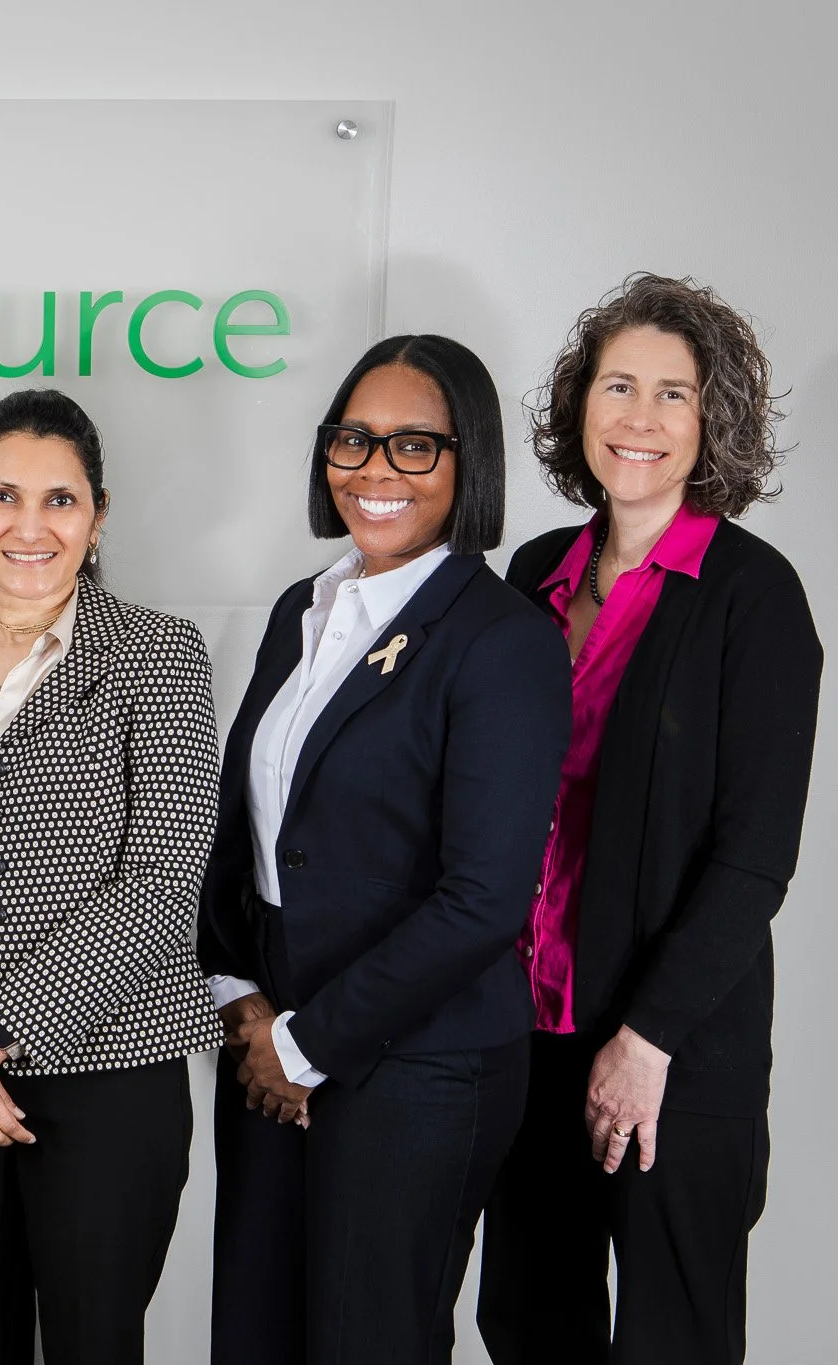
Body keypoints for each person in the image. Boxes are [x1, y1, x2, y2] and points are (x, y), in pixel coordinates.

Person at [198, 335, 572, 1364]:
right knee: (256, 1337)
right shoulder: (302, 609)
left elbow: (484, 899)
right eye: (353, 440)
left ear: (469, 464)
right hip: (266, 1047)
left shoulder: (501, 639)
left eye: (414, 446)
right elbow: (244, 829)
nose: (374, 470)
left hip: (418, 1070)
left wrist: (306, 1044)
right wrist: (243, 1002)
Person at [476, 275, 820, 1365]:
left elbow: (753, 857)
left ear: (708, 422)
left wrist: (647, 1039)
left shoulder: (750, 596)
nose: (638, 417)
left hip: (671, 1050)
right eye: (616, 385)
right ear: (579, 405)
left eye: (671, 395)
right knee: (527, 1323)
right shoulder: (532, 577)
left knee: (672, 1334)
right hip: (525, 1032)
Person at [0, 389, 223, 1364]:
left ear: (97, 514)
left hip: (107, 1072)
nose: (28, 526)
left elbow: (159, 879)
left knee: (91, 1345)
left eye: (59, 500)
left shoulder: (157, 654)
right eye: (2, 496)